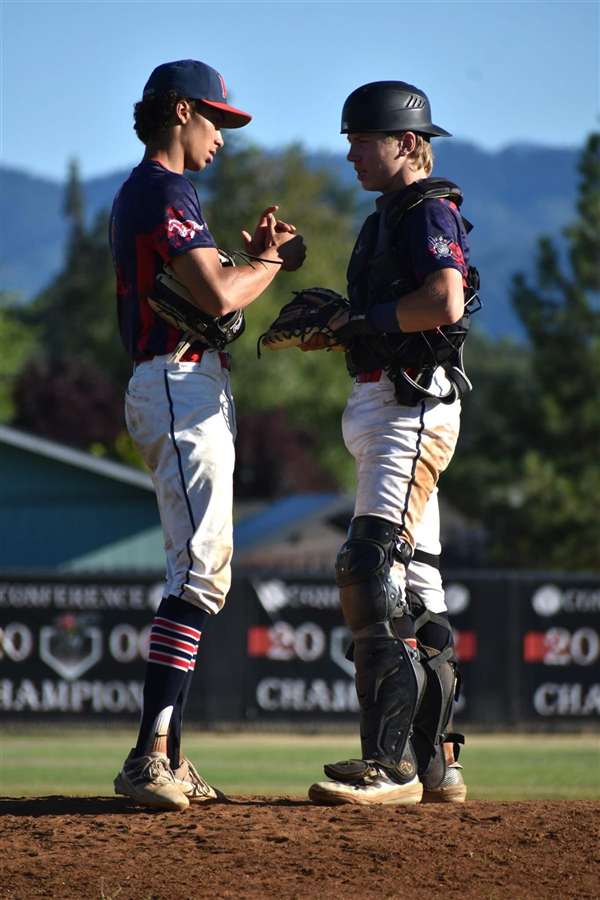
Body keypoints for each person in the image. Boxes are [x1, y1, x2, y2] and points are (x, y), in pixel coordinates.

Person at [109, 59, 305, 811]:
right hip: (176, 381)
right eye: (215, 120)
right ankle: (149, 756)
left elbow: (209, 292)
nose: (222, 135)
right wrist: (265, 263)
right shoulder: (162, 187)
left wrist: (244, 263)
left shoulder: (148, 191)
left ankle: (169, 754)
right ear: (181, 111)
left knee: (198, 571)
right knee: (198, 571)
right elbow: (223, 294)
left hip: (181, 380)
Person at [308, 81, 476, 806]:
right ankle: (437, 766)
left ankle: (391, 767)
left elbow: (445, 301)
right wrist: (348, 326)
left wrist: (362, 319)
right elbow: (394, 312)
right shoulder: (393, 216)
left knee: (367, 566)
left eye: (362, 139)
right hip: (393, 403)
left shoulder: (424, 209)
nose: (351, 153)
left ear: (408, 143)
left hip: (408, 406)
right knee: (421, 587)